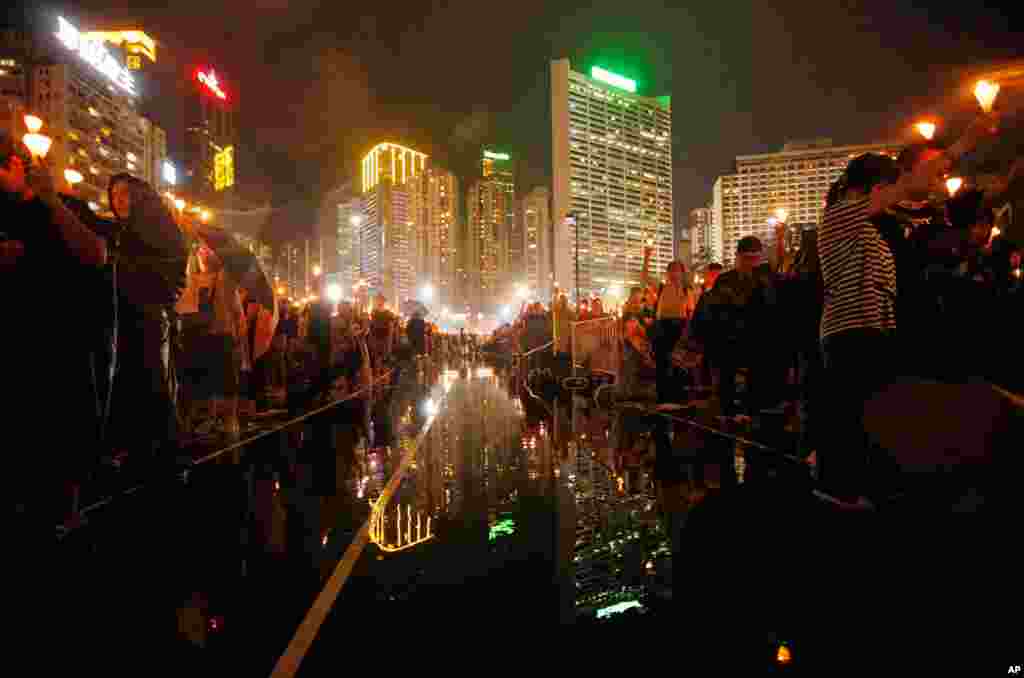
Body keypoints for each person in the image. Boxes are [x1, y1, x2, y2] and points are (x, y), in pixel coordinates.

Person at [817, 111, 997, 504]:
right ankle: (838, 498)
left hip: (874, 330)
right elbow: (911, 187)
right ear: (872, 187)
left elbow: (919, 201)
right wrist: (963, 145)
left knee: (869, 418)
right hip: (852, 330)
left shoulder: (870, 224)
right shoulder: (843, 215)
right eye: (889, 184)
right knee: (853, 418)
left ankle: (854, 493)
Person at [2, 132, 108, 537]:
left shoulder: (60, 208)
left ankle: (66, 519)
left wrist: (49, 200)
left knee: (58, 449)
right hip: (14, 352)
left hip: (56, 352)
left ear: (16, 164)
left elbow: (95, 254)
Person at [107, 173, 187, 459]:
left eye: (125, 194)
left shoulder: (159, 229)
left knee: (153, 382)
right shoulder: (118, 231)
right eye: (114, 195)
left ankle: (164, 452)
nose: (118, 200)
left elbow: (172, 273)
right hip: (122, 318)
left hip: (150, 319)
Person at [642, 248, 697, 406]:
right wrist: (647, 256)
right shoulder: (661, 288)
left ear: (682, 273)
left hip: (680, 327)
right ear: (667, 273)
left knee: (678, 362)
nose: (674, 273)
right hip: (662, 327)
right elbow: (645, 278)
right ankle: (663, 398)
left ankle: (678, 397)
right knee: (661, 363)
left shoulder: (687, 290)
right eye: (671, 270)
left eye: (677, 270)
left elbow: (691, 312)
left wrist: (688, 331)